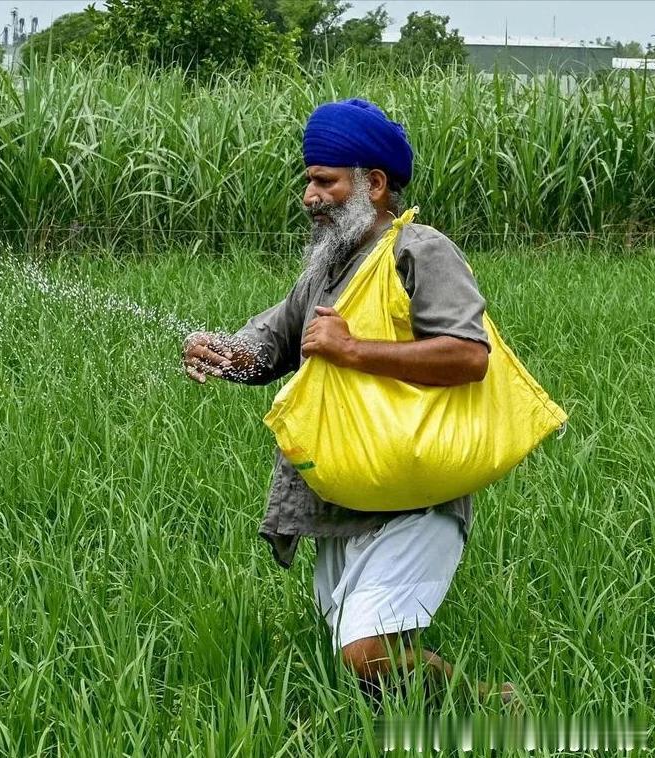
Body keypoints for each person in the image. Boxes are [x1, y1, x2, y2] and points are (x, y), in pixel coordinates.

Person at [182, 98, 516, 706]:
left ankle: (493, 704)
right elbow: (272, 345)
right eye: (309, 181)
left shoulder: (419, 250)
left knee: (364, 652)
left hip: (416, 493)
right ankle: (415, 732)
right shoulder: (325, 268)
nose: (309, 196)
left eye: (325, 181)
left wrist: (354, 349)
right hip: (344, 496)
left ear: (375, 184)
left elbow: (469, 355)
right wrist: (223, 355)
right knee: (361, 669)